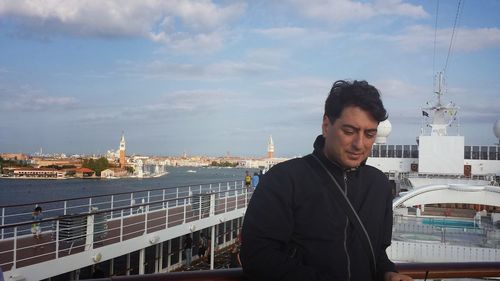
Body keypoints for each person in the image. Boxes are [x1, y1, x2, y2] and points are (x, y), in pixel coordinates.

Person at [240, 80, 412, 281]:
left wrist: (388, 273)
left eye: (369, 134)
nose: (359, 144)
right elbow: (257, 257)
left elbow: (377, 253)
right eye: (349, 131)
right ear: (326, 125)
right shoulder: (284, 180)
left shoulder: (379, 185)